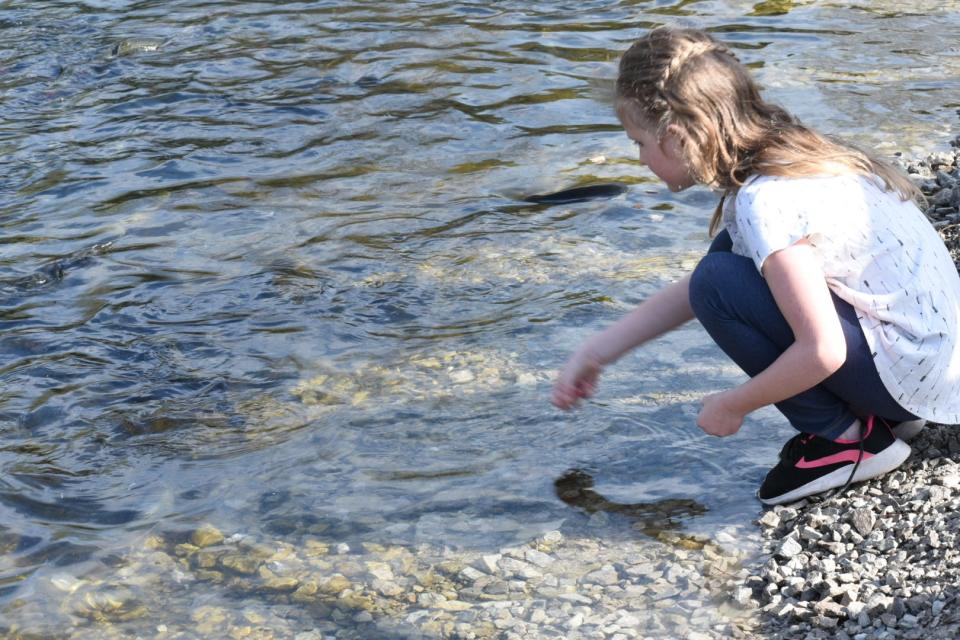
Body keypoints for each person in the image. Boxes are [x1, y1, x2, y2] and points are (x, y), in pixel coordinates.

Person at [551, 26, 960, 505]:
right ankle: (882, 413)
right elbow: (696, 292)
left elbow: (822, 349)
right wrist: (596, 352)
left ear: (678, 137)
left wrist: (734, 403)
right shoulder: (792, 156)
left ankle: (850, 442)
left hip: (919, 376)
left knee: (718, 281)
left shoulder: (766, 201)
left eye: (639, 142)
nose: (639, 159)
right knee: (721, 268)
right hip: (933, 364)